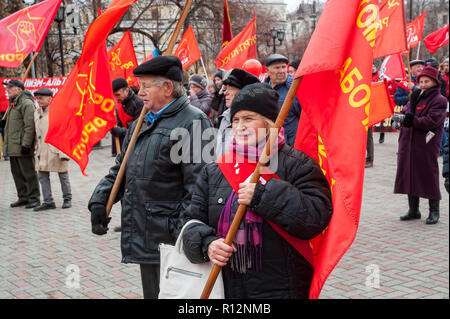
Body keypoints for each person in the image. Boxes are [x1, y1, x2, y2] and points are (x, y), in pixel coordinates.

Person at [182, 83, 332, 299]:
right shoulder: (214, 170)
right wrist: (207, 244)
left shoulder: (299, 165)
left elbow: (315, 219)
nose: (239, 126)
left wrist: (263, 195)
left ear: (270, 123)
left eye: (249, 119)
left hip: (283, 288)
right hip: (228, 289)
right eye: (235, 120)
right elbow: (190, 221)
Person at [88, 56, 213, 299]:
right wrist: (99, 201)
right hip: (146, 235)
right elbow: (121, 169)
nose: (139, 91)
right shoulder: (140, 122)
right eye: (139, 85)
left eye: (146, 85)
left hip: (171, 239)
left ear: (167, 88)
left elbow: (199, 185)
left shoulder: (194, 121)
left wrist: (179, 231)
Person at [394, 66, 447, 224]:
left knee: (428, 175)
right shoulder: (415, 96)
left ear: (434, 82)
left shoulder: (439, 100)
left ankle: (434, 211)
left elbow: (432, 121)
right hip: (408, 142)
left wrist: (410, 121)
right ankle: (413, 210)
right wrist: (399, 118)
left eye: (427, 81)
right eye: (421, 81)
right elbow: (405, 111)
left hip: (426, 142)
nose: (423, 84)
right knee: (409, 173)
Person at [0, 79, 40, 209]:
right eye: (7, 88)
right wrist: (4, 124)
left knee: (29, 173)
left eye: (10, 88)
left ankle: (34, 198)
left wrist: (26, 145)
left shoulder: (26, 103)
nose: (7, 90)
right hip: (13, 146)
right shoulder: (13, 104)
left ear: (19, 89)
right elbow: (15, 124)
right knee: (17, 173)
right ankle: (23, 197)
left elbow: (30, 126)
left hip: (22, 145)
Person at [32, 88, 72, 211]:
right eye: (37, 98)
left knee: (63, 174)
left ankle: (67, 198)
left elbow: (65, 132)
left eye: (41, 98)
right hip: (41, 149)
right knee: (42, 175)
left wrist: (64, 151)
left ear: (50, 98)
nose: (39, 101)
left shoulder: (58, 112)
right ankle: (48, 201)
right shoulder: (36, 112)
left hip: (56, 148)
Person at [215, 68, 260, 157]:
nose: (225, 93)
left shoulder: (255, 123)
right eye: (225, 88)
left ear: (244, 93)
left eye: (230, 89)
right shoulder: (225, 116)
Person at [264, 54, 302, 146]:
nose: (281, 71)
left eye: (284, 67)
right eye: (277, 68)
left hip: (291, 148)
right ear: (267, 71)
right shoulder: (262, 90)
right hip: (269, 147)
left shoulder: (294, 90)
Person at [110, 78, 144, 157]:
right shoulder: (118, 106)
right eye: (114, 95)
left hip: (137, 149)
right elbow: (118, 125)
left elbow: (139, 129)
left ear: (127, 90)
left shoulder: (139, 103)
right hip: (124, 148)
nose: (116, 98)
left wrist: (121, 131)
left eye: (118, 95)